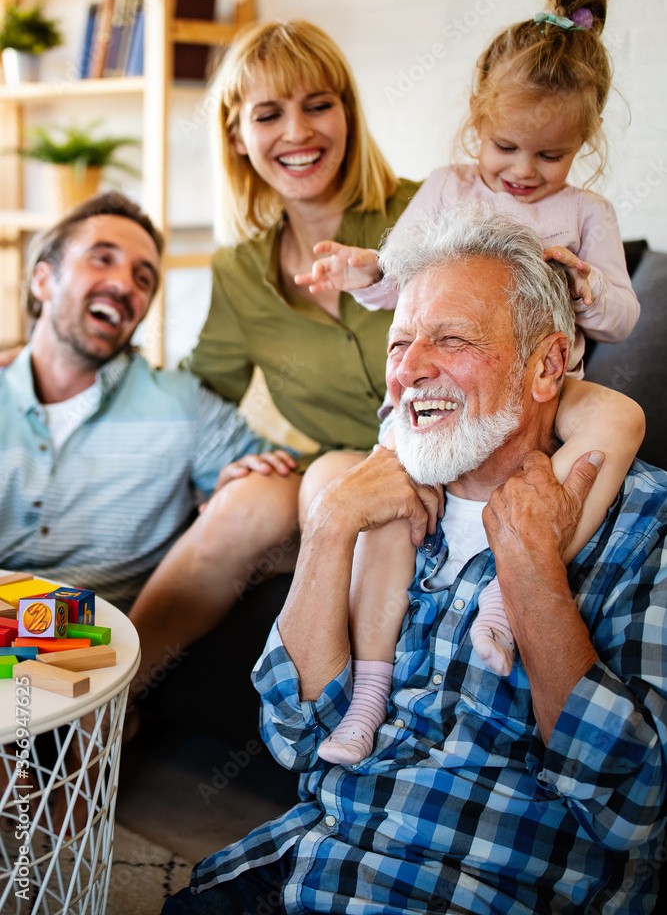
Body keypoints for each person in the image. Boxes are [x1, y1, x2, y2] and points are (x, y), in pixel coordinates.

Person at [164, 205, 667, 915]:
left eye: (450, 339)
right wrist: (332, 522)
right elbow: (294, 733)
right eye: (399, 344)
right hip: (310, 863)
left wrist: (531, 574)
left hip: (483, 892)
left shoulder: (645, 524)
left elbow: (633, 803)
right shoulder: (386, 500)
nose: (411, 370)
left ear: (548, 364)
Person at [296, 0, 645, 764]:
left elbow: (622, 318)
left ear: (581, 146)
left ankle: (508, 588)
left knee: (618, 417)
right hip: (442, 404)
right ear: (474, 127)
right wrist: (359, 272)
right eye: (505, 147)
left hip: (545, 391)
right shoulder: (451, 189)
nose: (522, 172)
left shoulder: (586, 213)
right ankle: (369, 696)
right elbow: (395, 274)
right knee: (390, 514)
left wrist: (587, 286)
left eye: (549, 156)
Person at [127, 19, 421, 699]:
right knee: (243, 501)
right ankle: (106, 711)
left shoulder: (426, 212)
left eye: (318, 104)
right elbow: (196, 392)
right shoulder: (240, 270)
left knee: (329, 487)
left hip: (436, 463)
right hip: (334, 477)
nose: (298, 132)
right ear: (237, 136)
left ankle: (338, 721)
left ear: (346, 111)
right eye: (269, 114)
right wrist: (63, 359)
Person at [0, 191, 292, 629]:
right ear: (42, 280)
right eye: (102, 259)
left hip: (104, 666)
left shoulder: (183, 404)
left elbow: (293, 528)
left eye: (143, 278)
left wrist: (238, 496)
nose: (123, 285)